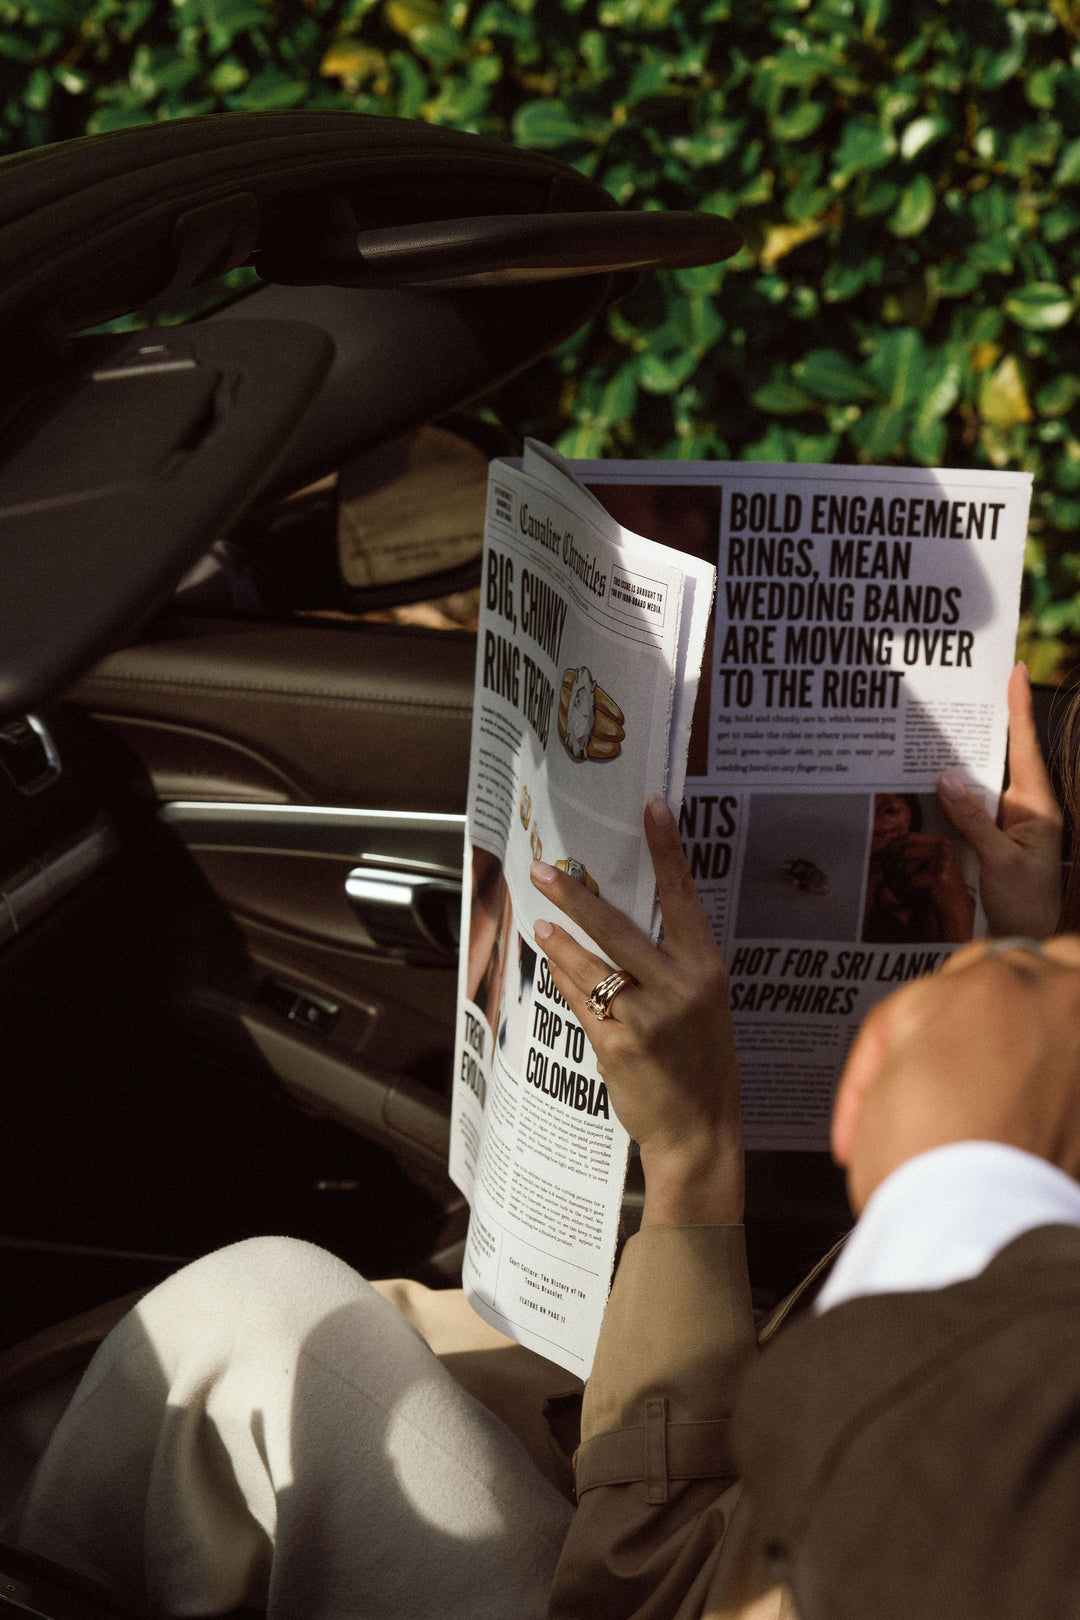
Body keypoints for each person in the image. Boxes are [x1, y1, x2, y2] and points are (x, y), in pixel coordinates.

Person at [3, 663, 1073, 1618]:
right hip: (754, 1439)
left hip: (681, 1549)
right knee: (413, 1324)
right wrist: (1023, 951)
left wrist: (693, 1156)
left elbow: (648, 1585)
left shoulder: (997, 1477)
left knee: (255, 1319)